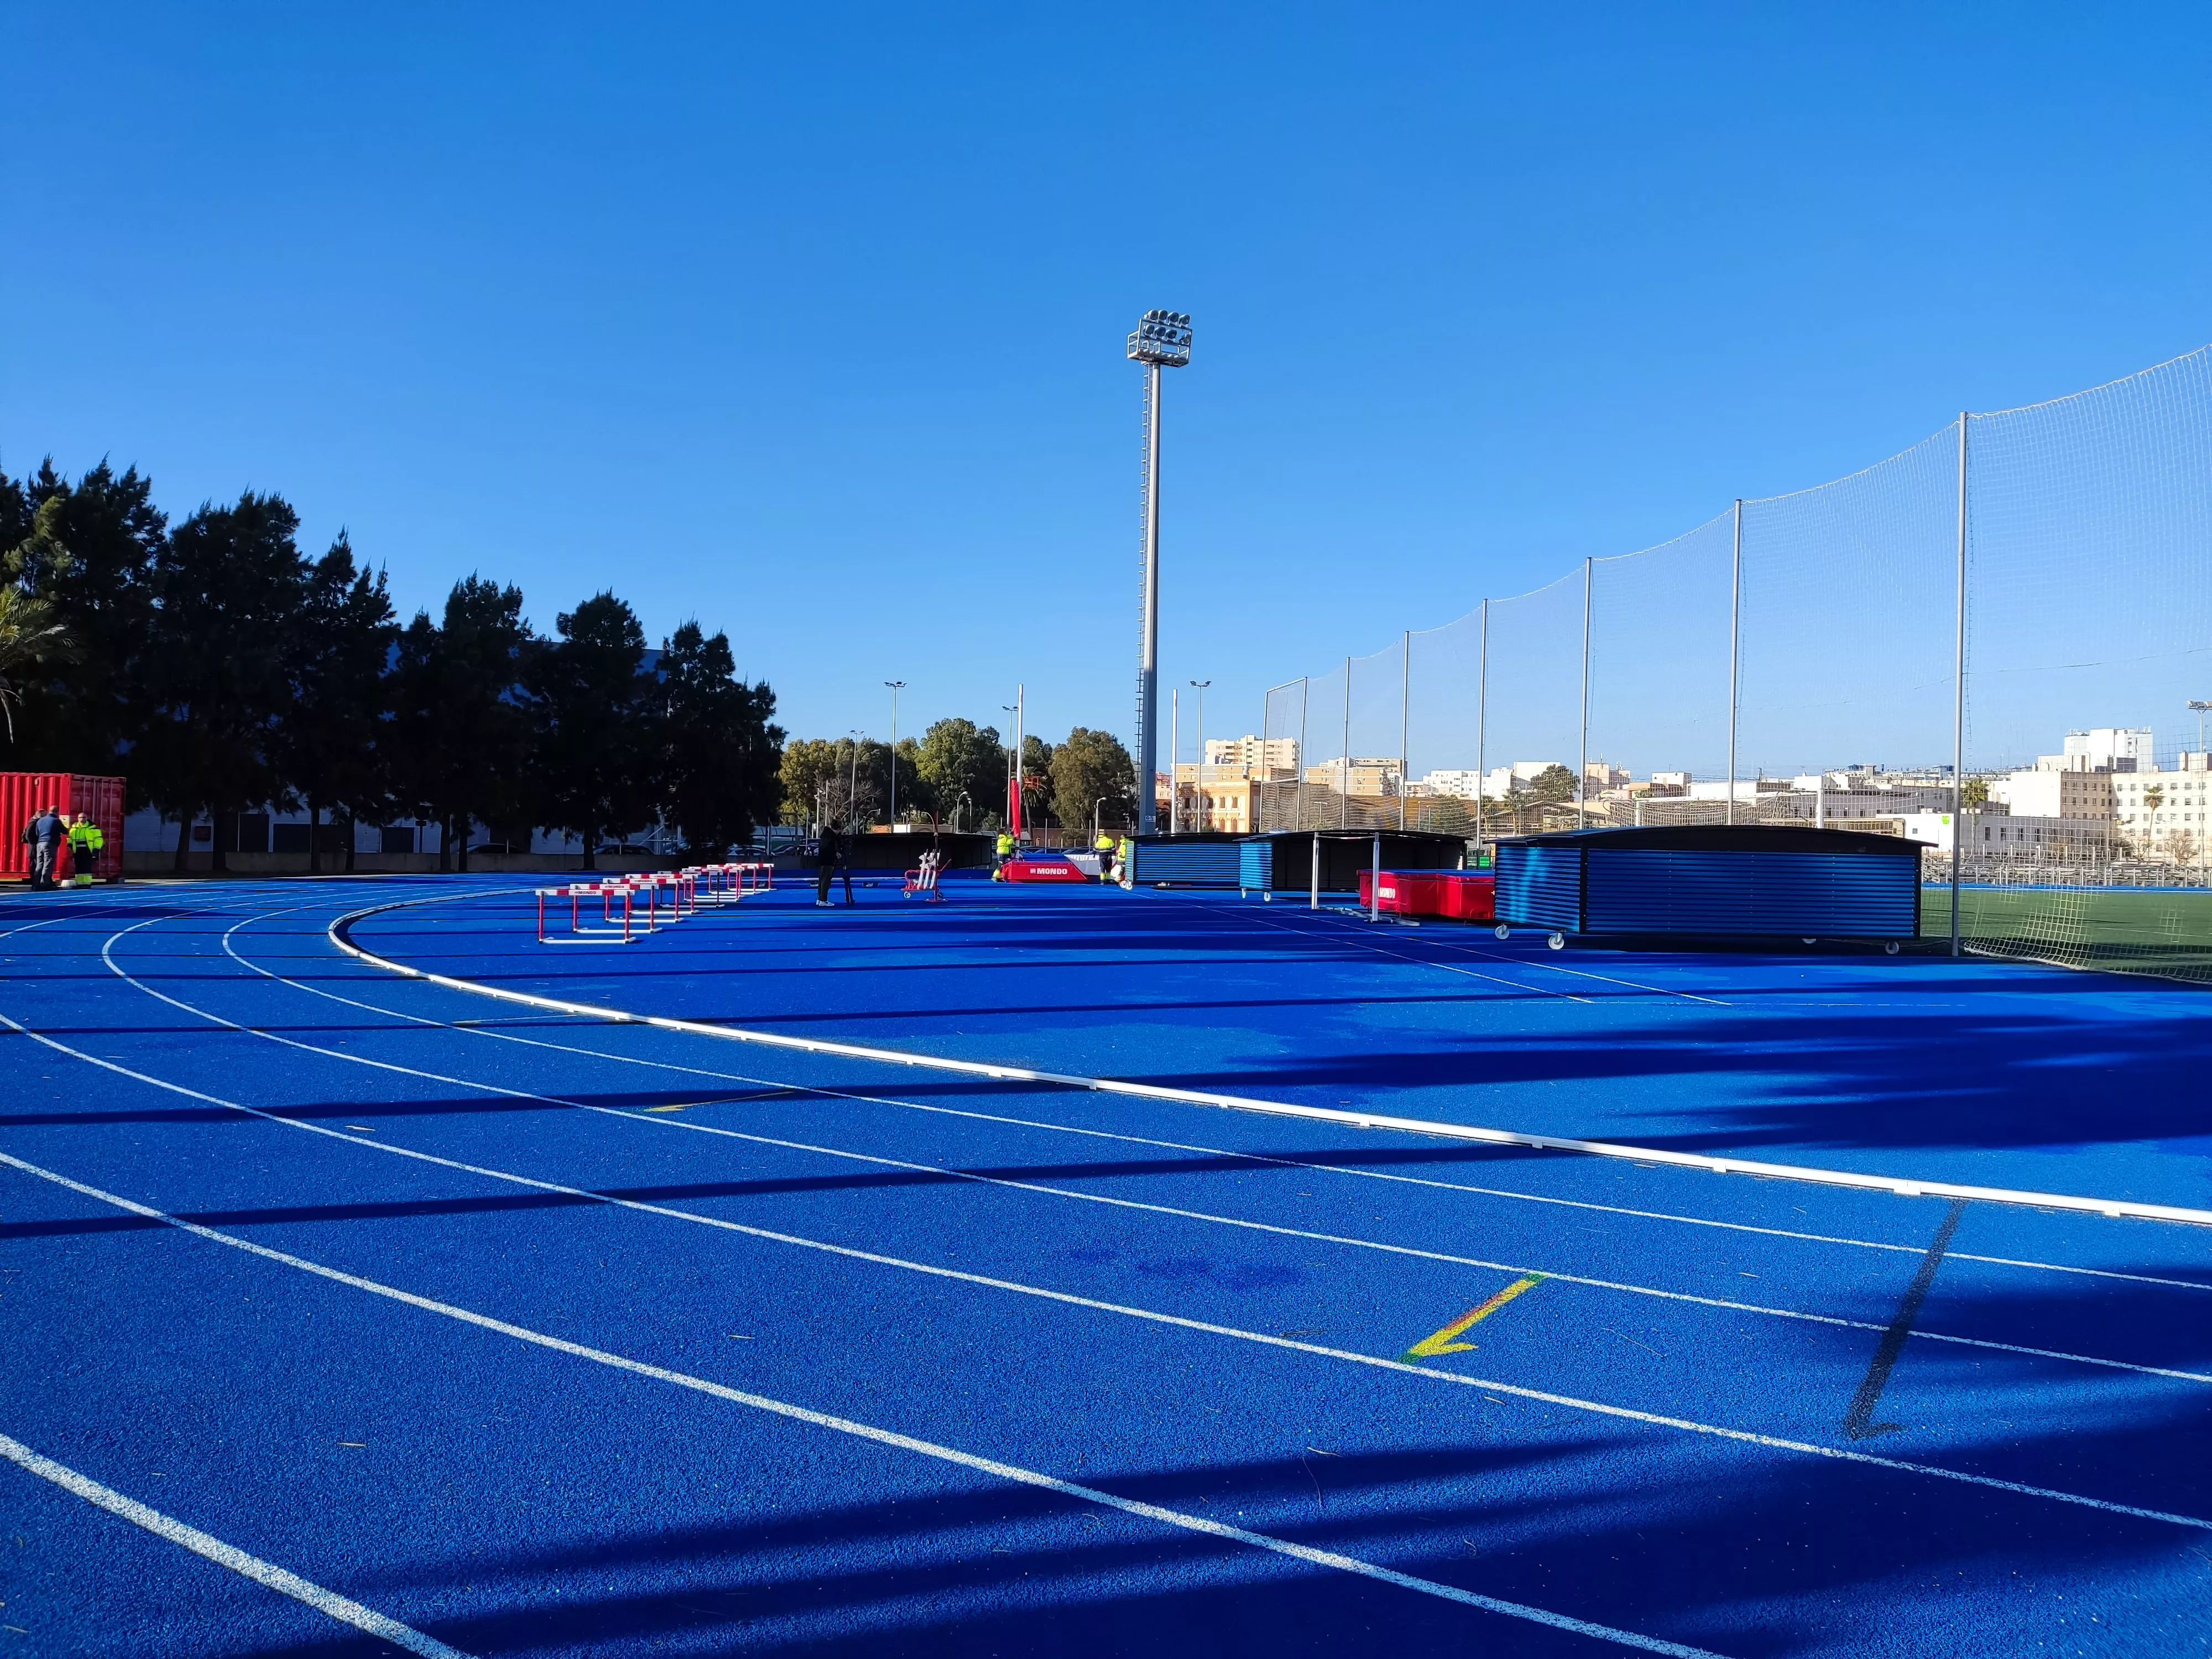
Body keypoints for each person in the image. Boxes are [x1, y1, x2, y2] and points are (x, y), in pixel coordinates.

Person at [23, 804, 64, 889]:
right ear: (57, 812)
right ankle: (45, 884)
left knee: (39, 864)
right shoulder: (56, 821)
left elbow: (37, 833)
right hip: (49, 844)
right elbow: (64, 831)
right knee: (48, 864)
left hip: (40, 844)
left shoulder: (40, 821)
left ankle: (36, 884)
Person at [815, 820, 854, 907]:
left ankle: (820, 898)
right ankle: (823, 900)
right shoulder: (830, 836)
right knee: (826, 881)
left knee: (822, 880)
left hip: (823, 861)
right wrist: (835, 853)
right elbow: (826, 848)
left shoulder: (826, 835)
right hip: (828, 861)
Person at [67, 813, 104, 886]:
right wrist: (69, 845)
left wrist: (96, 849)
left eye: (84, 817)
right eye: (80, 817)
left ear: (87, 818)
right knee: (78, 866)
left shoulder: (93, 828)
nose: (82, 819)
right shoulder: (74, 828)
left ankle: (87, 882)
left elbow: (99, 839)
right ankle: (80, 882)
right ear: (78, 818)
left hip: (88, 850)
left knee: (87, 866)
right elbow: (70, 838)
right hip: (77, 850)